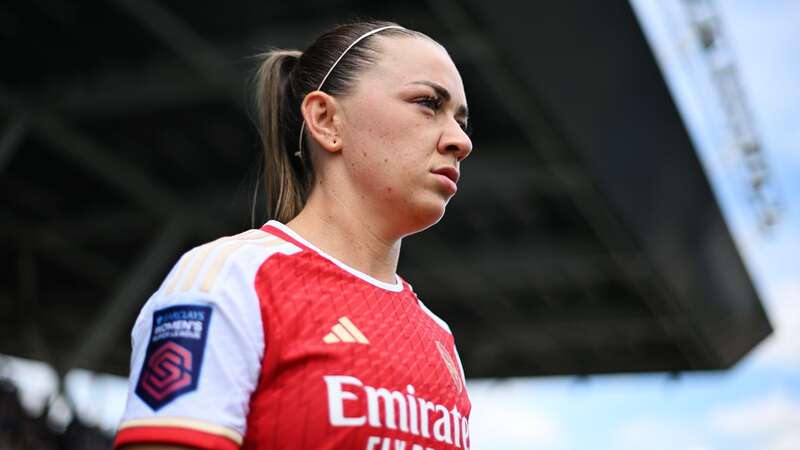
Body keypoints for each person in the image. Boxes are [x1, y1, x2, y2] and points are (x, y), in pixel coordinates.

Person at [113, 19, 473, 450]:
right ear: (325, 120)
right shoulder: (230, 279)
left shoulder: (439, 337)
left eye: (461, 121)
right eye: (427, 103)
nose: (460, 141)